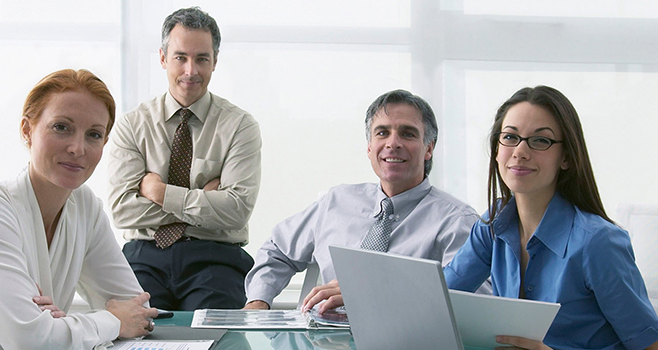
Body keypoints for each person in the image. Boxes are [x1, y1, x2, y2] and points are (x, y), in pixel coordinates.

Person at [0, 69, 160, 349]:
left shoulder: (85, 207)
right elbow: (31, 341)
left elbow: (137, 310)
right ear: (27, 130)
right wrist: (107, 322)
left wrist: (60, 328)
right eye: (61, 127)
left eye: (94, 134)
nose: (78, 148)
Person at [444, 85, 658, 350]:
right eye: (510, 137)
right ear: (497, 149)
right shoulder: (493, 224)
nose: (520, 151)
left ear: (566, 157)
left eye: (540, 140)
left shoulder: (598, 242)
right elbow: (440, 300)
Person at [244, 89, 483, 311]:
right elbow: (277, 250)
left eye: (407, 133)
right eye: (382, 133)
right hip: (325, 340)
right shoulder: (336, 202)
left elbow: (471, 303)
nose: (392, 143)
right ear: (370, 147)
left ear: (429, 148)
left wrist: (373, 294)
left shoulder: (457, 222)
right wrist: (258, 302)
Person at [108, 7, 261, 311]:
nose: (191, 70)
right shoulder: (132, 125)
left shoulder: (240, 126)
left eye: (202, 58)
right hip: (144, 256)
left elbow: (236, 211)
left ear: (215, 62)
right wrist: (202, 201)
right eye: (181, 57)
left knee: (218, 338)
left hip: (216, 258)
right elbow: (123, 211)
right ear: (163, 58)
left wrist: (159, 193)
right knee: (135, 332)